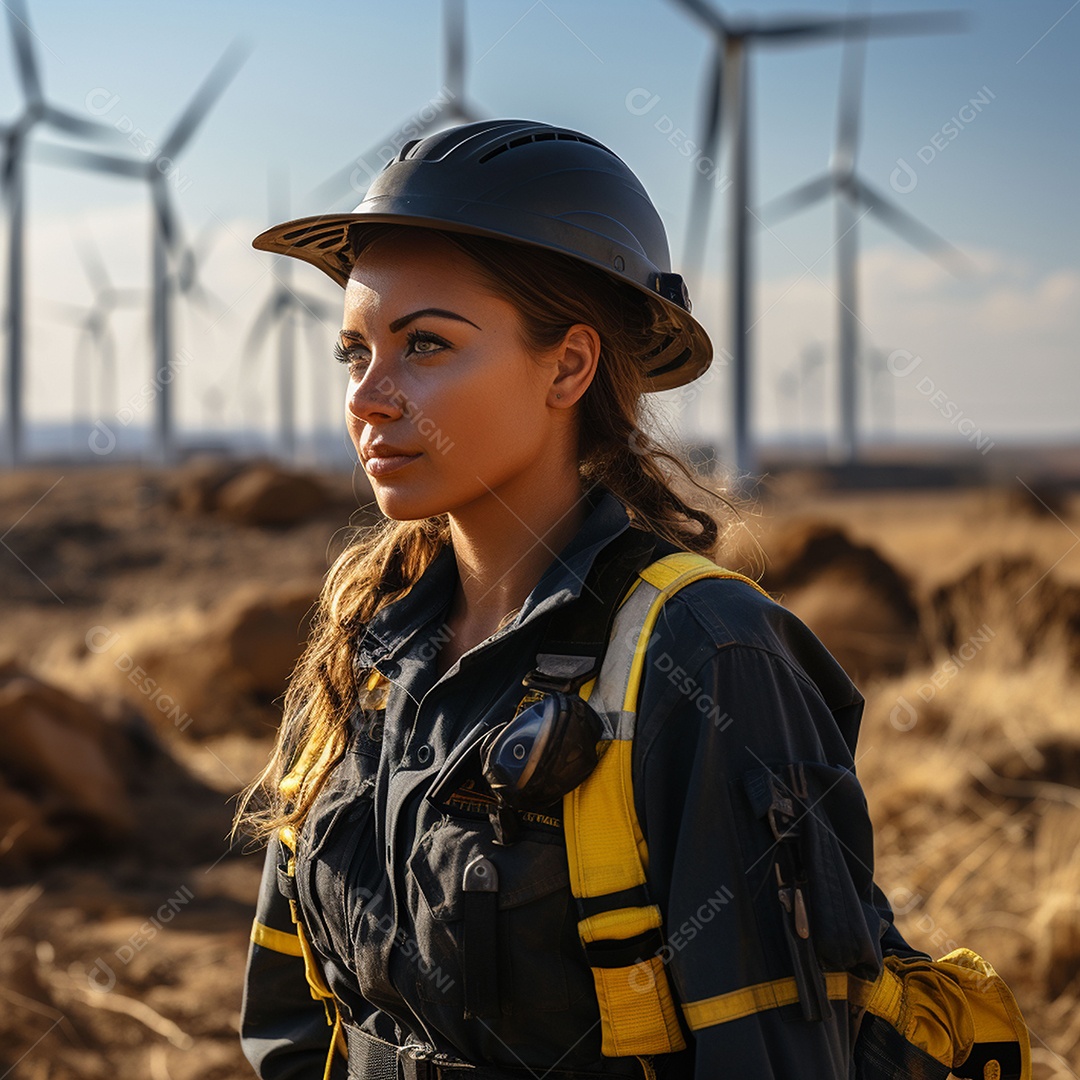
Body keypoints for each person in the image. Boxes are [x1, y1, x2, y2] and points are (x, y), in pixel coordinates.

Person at [236, 119, 1029, 1080]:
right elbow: (290, 1022)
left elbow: (769, 1054)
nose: (370, 394)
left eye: (428, 346)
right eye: (354, 351)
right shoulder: (362, 645)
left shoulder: (706, 654)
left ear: (569, 366)